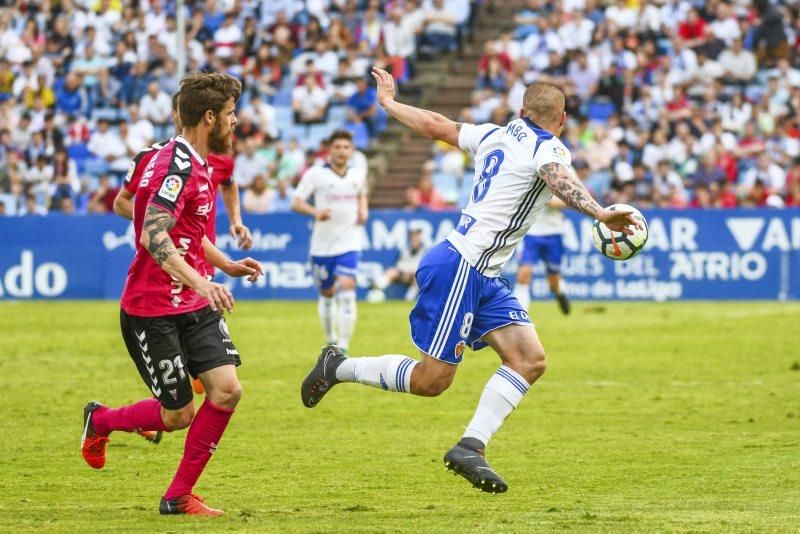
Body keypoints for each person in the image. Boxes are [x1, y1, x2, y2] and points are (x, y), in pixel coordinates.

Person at [301, 67, 639, 494]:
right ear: (563, 119)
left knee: (529, 360)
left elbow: (437, 126)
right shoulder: (549, 149)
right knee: (432, 381)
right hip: (462, 266)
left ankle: (470, 446)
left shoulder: (496, 135)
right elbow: (558, 177)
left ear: (521, 110)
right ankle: (339, 366)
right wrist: (601, 211)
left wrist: (389, 104)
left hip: (484, 272)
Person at [80, 73, 263, 516]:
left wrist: (225, 266)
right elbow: (152, 234)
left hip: (193, 303)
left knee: (226, 391)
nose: (236, 121)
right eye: (231, 114)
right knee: (177, 415)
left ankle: (178, 496)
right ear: (209, 117)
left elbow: (189, 234)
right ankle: (100, 420)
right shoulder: (172, 166)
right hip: (152, 309)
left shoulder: (201, 164)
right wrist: (203, 281)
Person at [291, 130, 368, 353]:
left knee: (347, 288)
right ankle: (331, 336)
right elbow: (296, 203)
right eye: (338, 147)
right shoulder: (316, 174)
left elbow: (362, 193)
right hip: (322, 246)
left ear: (351, 150)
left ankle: (343, 345)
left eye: (346, 147)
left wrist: (363, 210)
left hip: (350, 241)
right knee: (326, 294)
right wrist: (315, 211)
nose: (342, 151)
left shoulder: (358, 173)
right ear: (330, 150)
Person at [513, 197, 570, 315]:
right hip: (529, 233)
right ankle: (520, 315)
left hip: (553, 233)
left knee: (553, 281)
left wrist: (552, 200)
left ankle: (560, 293)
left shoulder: (560, 179)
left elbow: (569, 199)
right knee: (524, 273)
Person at [372, 227, 428, 301]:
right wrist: (403, 272)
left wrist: (411, 272)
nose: (415, 238)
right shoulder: (405, 249)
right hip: (402, 273)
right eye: (413, 235)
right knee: (391, 271)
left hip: (414, 275)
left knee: (418, 277)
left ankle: (408, 299)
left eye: (417, 235)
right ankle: (376, 288)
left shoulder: (425, 251)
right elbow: (399, 264)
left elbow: (423, 267)